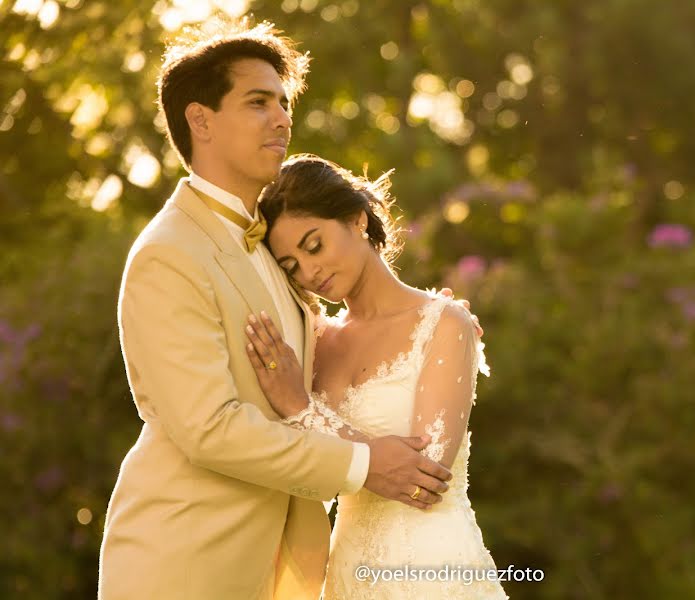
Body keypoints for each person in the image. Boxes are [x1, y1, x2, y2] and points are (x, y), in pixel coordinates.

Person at [98, 20, 455, 600]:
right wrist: (362, 465)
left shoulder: (272, 244)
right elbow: (210, 428)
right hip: (186, 565)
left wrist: (432, 327)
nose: (282, 119)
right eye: (258, 102)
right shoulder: (168, 255)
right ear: (200, 120)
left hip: (284, 573)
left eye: (284, 103)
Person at [244, 153, 508, 598]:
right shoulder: (314, 343)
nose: (310, 272)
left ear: (355, 219)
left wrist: (302, 410)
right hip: (347, 574)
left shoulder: (442, 325)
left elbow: (425, 479)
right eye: (291, 266)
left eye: (314, 246)